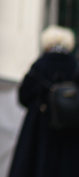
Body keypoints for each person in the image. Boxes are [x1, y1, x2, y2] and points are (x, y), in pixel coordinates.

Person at [7, 25, 79, 176]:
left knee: (35, 164)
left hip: (39, 124)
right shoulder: (74, 66)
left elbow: (24, 95)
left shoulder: (40, 64)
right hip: (68, 128)